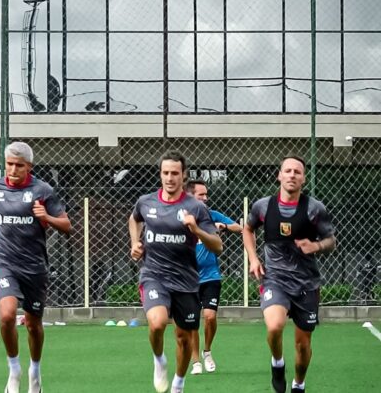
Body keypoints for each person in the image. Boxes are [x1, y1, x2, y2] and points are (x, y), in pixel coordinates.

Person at [0, 141, 71, 393]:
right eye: (9, 164)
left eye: (19, 165)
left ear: (29, 166)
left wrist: (46, 218)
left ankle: (35, 371)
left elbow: (66, 226)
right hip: (3, 262)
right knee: (7, 315)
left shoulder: (43, 190)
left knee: (33, 324)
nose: (13, 169)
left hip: (34, 267)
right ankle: (14, 369)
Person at [128, 152, 222, 393]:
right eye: (165, 173)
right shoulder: (146, 202)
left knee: (183, 337)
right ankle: (159, 360)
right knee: (157, 323)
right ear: (160, 174)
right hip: (154, 276)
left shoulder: (196, 208)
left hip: (187, 281)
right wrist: (135, 243)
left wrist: (196, 230)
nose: (170, 178)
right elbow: (134, 219)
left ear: (183, 176)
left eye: (175, 173)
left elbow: (217, 245)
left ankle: (178, 384)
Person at [242, 155, 336, 393]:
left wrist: (315, 246)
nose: (292, 175)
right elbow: (248, 229)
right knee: (274, 326)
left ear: (303, 178)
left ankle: (299, 384)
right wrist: (253, 259)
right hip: (275, 279)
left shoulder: (314, 209)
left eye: (297, 171)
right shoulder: (263, 206)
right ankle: (277, 363)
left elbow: (331, 240)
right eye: (288, 171)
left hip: (307, 283)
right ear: (279, 175)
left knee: (303, 346)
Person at [185, 179, 243, 375]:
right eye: (201, 194)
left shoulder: (210, 216)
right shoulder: (180, 219)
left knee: (209, 317)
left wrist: (223, 227)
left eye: (206, 194)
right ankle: (195, 362)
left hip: (211, 276)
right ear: (190, 196)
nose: (205, 198)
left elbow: (239, 227)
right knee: (191, 321)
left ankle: (207, 351)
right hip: (188, 279)